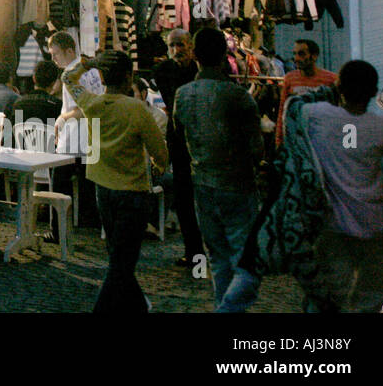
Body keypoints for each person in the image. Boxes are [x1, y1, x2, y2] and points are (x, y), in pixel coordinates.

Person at [62, 51, 169, 312]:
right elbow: (161, 152)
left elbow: (67, 77)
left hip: (102, 190)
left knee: (118, 257)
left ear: (101, 76)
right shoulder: (136, 109)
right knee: (122, 262)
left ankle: (139, 308)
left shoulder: (91, 103)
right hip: (132, 192)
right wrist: (157, 168)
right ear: (129, 76)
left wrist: (86, 65)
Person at [172, 27, 264, 312]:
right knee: (247, 259)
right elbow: (256, 149)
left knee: (219, 258)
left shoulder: (183, 95)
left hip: (203, 184)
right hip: (238, 185)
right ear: (225, 56)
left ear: (195, 55)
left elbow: (178, 133)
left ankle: (223, 305)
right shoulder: (238, 96)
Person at [304, 60, 383, 311]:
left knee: (328, 292)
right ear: (373, 91)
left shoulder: (316, 116)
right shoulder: (380, 128)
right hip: (373, 222)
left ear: (339, 87)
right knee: (375, 294)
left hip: (333, 223)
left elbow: (295, 106)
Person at [153, 28, 206, 268]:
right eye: (172, 46)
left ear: (190, 46)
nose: (177, 50)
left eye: (181, 45)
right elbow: (174, 99)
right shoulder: (164, 71)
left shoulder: (200, 71)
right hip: (179, 141)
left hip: (202, 140)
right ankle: (194, 254)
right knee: (184, 199)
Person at [276, 39, 337, 146]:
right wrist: (279, 141)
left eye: (301, 54)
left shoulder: (330, 79)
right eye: (295, 54)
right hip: (297, 138)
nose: (296, 58)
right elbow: (282, 111)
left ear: (314, 56)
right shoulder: (290, 78)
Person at [13, 60, 62, 126]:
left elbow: (8, 133)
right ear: (53, 82)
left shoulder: (17, 104)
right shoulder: (57, 107)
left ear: (34, 78)